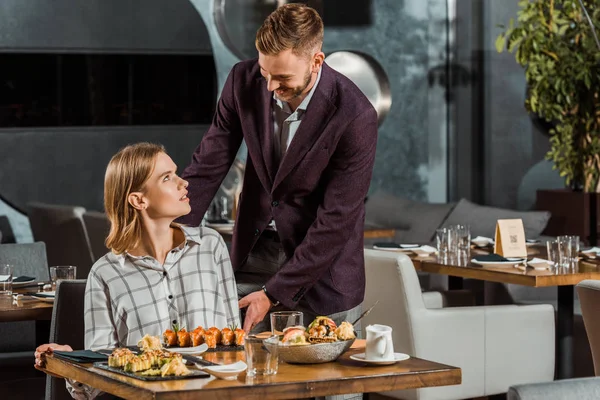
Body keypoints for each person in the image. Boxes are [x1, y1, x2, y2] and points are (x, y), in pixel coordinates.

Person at [180, 3, 378, 335]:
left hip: (324, 277)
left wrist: (274, 293)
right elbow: (207, 165)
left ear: (316, 62)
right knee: (242, 374)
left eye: (283, 77)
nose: (270, 86)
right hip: (252, 257)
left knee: (326, 385)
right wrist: (172, 234)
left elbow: (336, 220)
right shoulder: (242, 81)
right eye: (265, 73)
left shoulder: (355, 115)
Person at [35, 142, 240, 398]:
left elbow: (235, 343)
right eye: (167, 178)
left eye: (176, 173)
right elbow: (102, 378)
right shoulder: (105, 274)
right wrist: (72, 365)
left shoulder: (210, 246)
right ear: (138, 199)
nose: (183, 183)